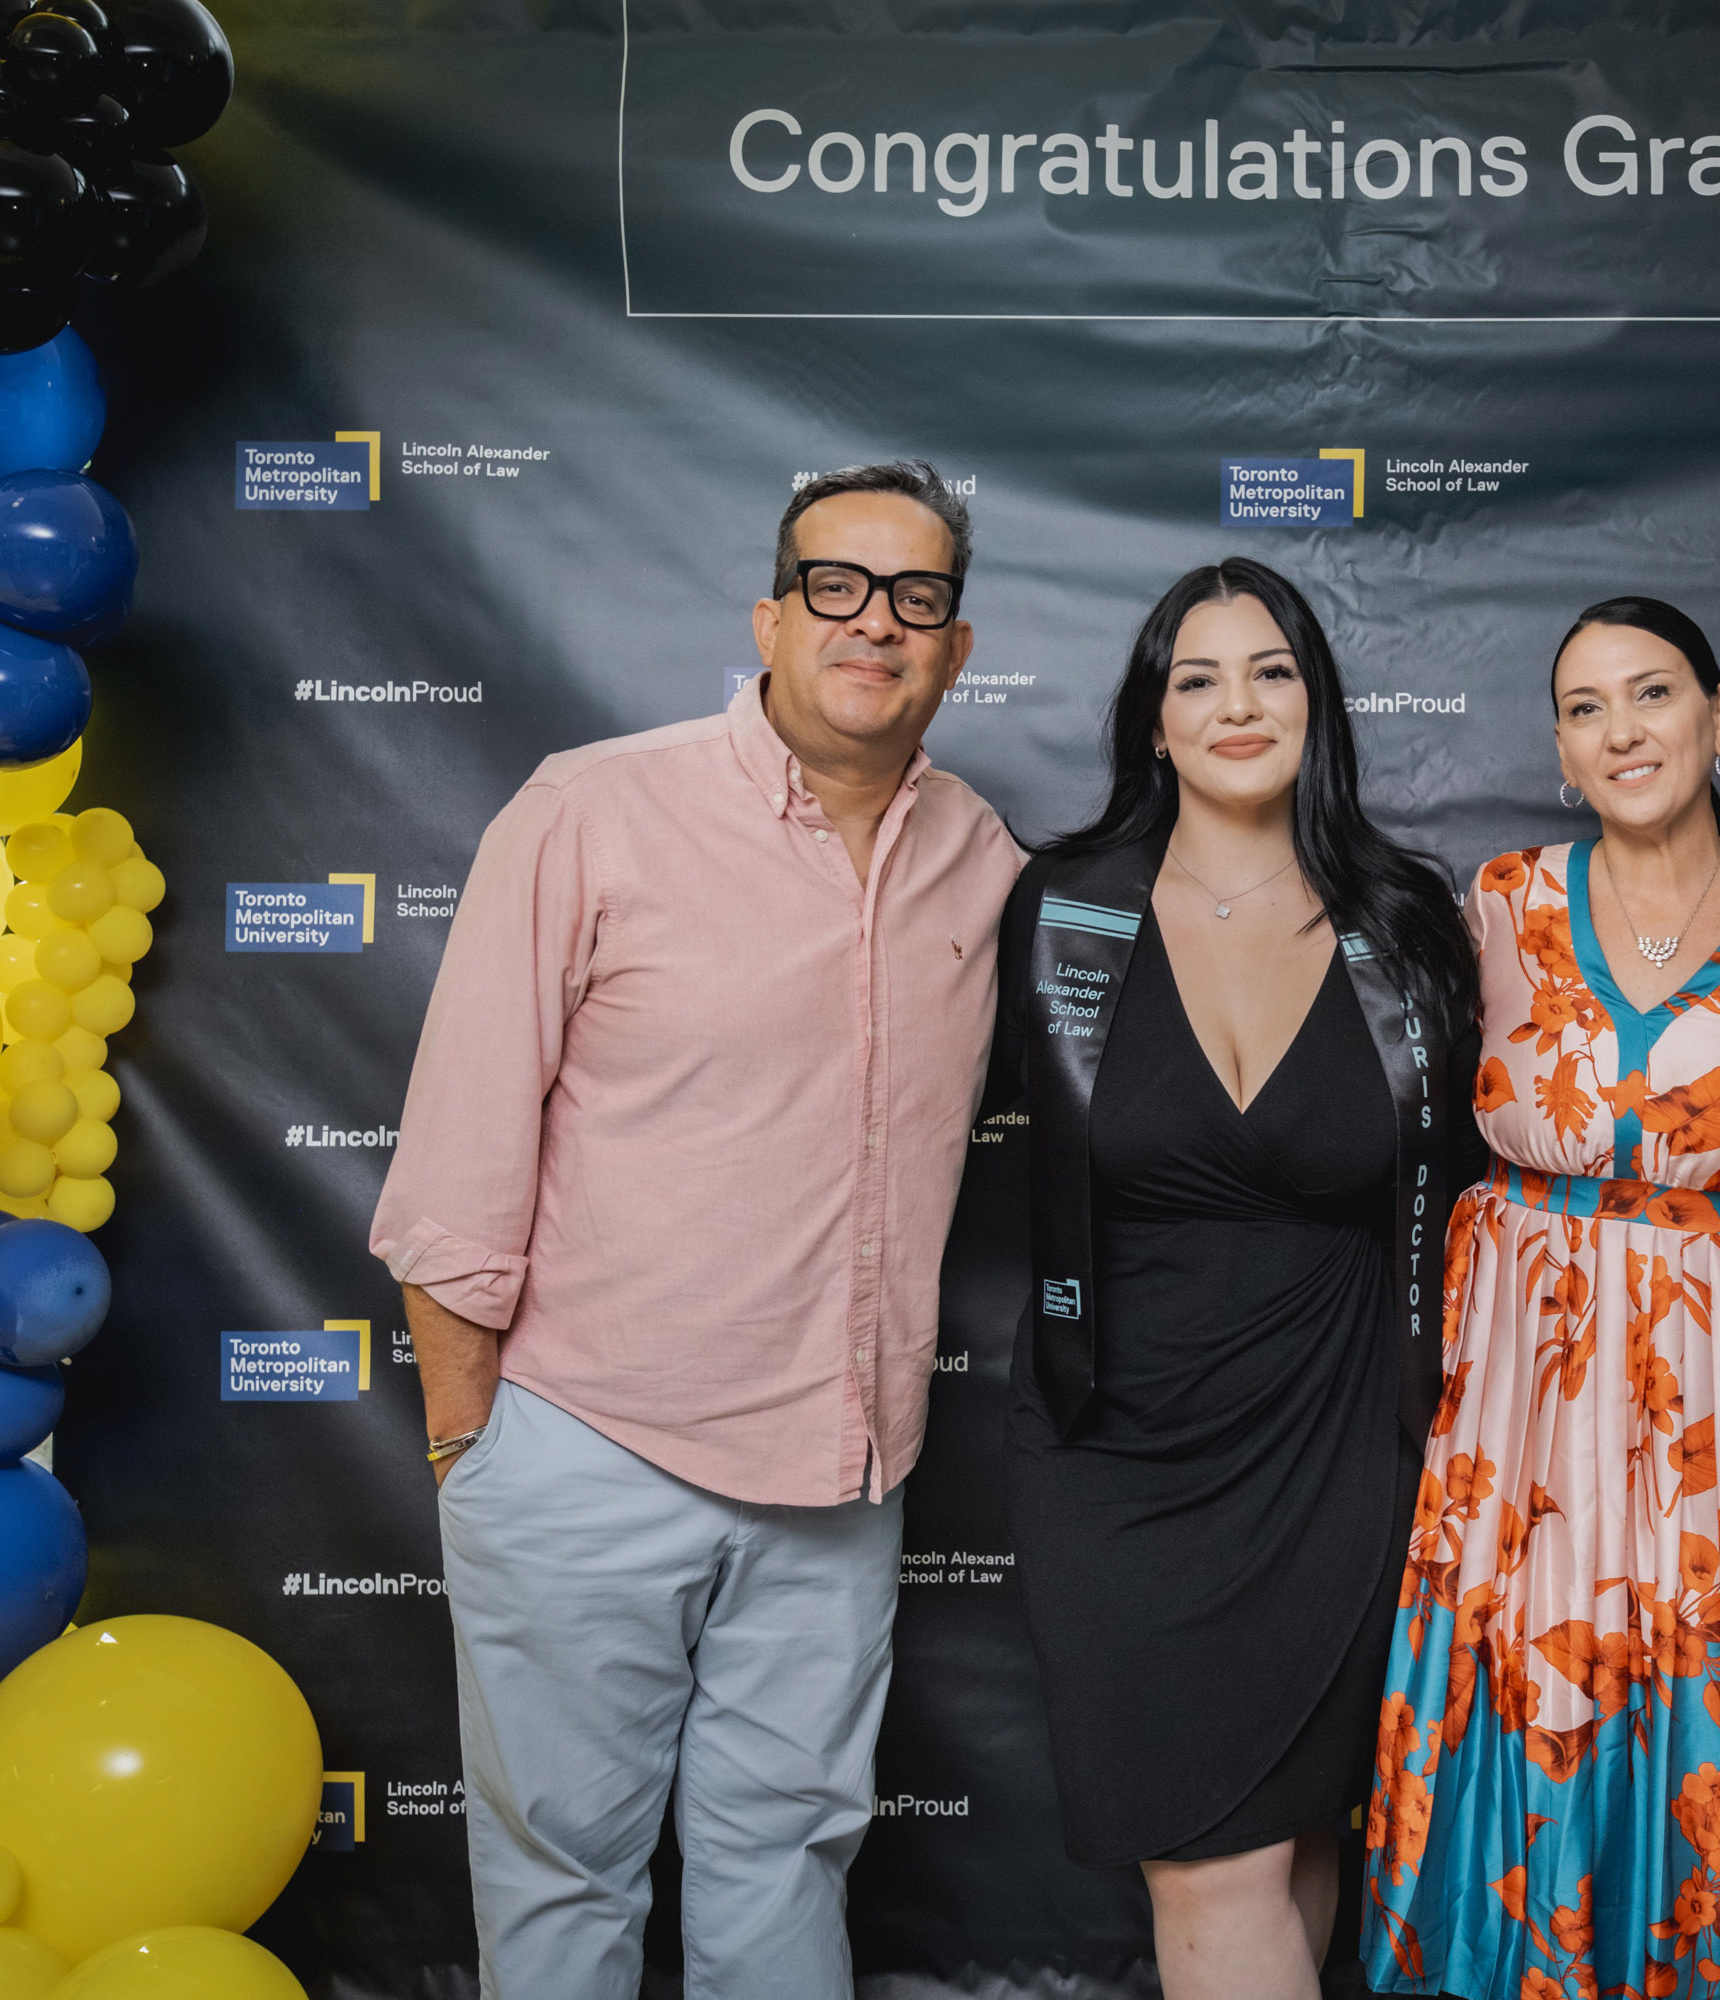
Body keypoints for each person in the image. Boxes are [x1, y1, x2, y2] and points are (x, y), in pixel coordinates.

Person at [369, 462, 1022, 1997]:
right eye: (837, 588)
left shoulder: (982, 857)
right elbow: (461, 1146)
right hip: (591, 1444)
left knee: (789, 1859)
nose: (877, 624)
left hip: (840, 1475)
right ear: (773, 617)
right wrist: (477, 1440)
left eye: (917, 598)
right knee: (564, 1882)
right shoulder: (593, 807)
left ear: (959, 645)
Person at [1364, 597, 1720, 2000]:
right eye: (1587, 708)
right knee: (1532, 1650)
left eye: (1652, 696)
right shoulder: (1502, 902)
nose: (1622, 731)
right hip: (1530, 1374)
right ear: (1559, 747)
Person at [995, 557, 1482, 2000]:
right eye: (1195, 678)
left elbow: (1477, 1187)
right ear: (1153, 720)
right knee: (1209, 1866)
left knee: (1289, 1842)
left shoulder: (1404, 917)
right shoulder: (1063, 908)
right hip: (1115, 1446)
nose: (1236, 704)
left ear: (1316, 703)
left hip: (1337, 1441)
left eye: (1270, 670)